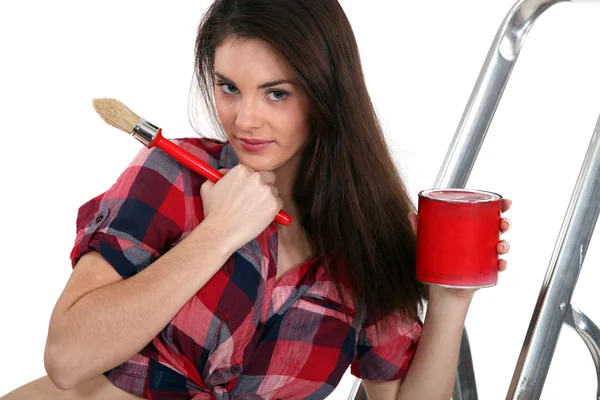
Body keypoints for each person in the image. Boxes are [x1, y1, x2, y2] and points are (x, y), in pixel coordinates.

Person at [1, 0, 512, 399]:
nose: (244, 119)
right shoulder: (172, 177)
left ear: (326, 93)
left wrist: (449, 300)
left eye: (276, 93)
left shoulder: (361, 240)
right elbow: (66, 357)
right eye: (228, 87)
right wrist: (218, 234)